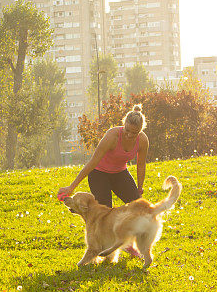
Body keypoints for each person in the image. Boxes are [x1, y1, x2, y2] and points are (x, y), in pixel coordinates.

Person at [57, 104, 150, 258]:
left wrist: (139, 188)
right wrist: (71, 187)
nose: (129, 135)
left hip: (120, 173)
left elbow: (141, 165)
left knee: (138, 206)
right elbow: (92, 163)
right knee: (105, 213)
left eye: (134, 133)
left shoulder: (143, 141)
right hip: (99, 174)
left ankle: (131, 245)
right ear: (123, 125)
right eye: (126, 130)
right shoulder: (112, 136)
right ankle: (106, 247)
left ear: (140, 131)